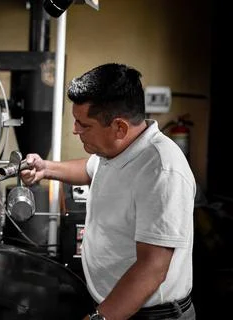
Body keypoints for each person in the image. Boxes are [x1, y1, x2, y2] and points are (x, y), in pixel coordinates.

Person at [20, 63, 196, 320]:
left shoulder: (162, 171)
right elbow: (90, 170)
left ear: (119, 127)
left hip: (149, 315)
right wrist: (45, 169)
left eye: (84, 124)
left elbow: (152, 269)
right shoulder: (116, 149)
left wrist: (100, 318)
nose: (75, 130)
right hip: (112, 304)